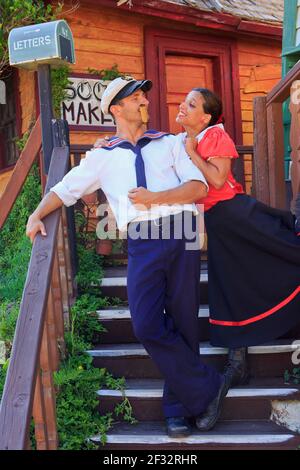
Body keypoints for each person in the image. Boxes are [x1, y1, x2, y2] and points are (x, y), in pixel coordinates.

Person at [26, 77, 228, 437]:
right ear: (116, 109)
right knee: (146, 323)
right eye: (136, 99)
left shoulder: (168, 143)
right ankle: (207, 387)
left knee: (182, 320)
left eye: (144, 97)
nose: (145, 103)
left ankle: (177, 409)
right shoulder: (102, 157)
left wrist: (155, 199)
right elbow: (65, 188)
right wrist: (37, 213)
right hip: (142, 239)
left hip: (179, 230)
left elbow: (198, 186)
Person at [175, 87, 300, 393]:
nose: (182, 106)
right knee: (231, 281)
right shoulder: (182, 139)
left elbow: (217, 180)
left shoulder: (215, 136)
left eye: (191, 104)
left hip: (234, 213)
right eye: (184, 101)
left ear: (205, 117)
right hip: (220, 223)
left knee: (283, 253)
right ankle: (238, 356)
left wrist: (192, 154)